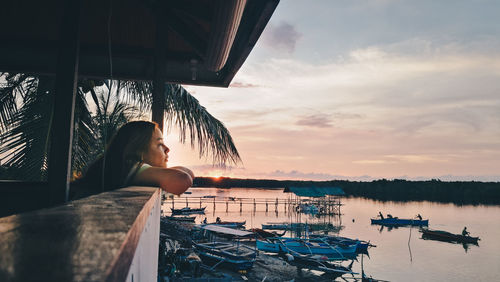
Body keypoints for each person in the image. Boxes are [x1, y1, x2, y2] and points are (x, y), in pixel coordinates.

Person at [71, 121, 194, 199]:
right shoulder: (128, 166)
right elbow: (183, 179)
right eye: (159, 144)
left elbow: (189, 174)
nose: (167, 149)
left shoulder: (116, 165)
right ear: (138, 150)